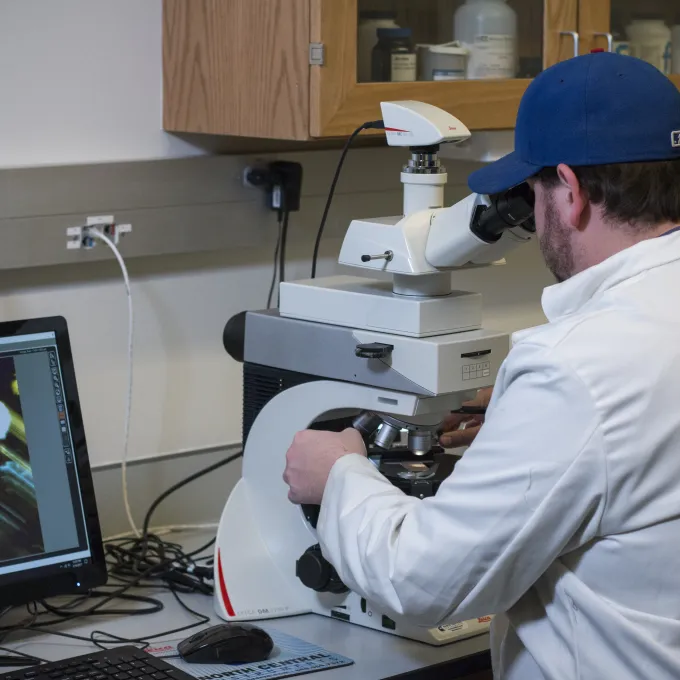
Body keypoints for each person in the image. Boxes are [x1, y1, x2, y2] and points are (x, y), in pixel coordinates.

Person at [283, 52, 680, 680]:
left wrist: (337, 475)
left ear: (570, 190)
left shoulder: (576, 367)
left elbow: (420, 581)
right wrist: (525, 417)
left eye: (532, 194)